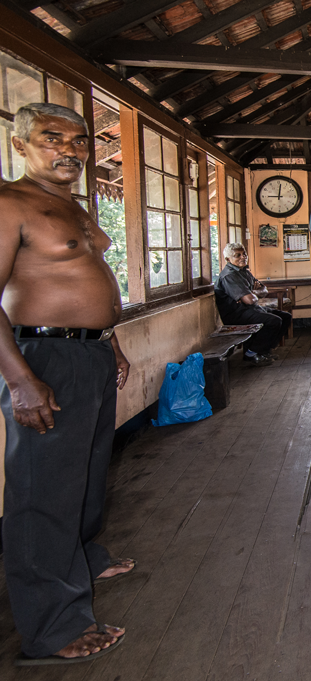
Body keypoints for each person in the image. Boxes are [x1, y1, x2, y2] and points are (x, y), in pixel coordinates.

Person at [0, 102, 132, 665]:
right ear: (20, 144)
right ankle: (53, 628)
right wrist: (20, 380)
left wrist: (111, 341)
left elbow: (90, 280)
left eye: (79, 142)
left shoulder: (73, 207)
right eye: (52, 138)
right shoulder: (11, 204)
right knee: (42, 494)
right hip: (44, 358)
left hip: (90, 355)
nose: (70, 151)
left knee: (85, 474)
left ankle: (82, 554)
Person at [213, 243, 292, 366]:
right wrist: (252, 295)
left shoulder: (244, 272)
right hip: (236, 314)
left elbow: (263, 291)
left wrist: (252, 293)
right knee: (273, 321)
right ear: (228, 259)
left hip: (250, 308)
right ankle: (252, 353)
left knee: (285, 317)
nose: (243, 257)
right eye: (237, 255)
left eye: (244, 254)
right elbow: (249, 300)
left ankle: (264, 351)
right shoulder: (229, 276)